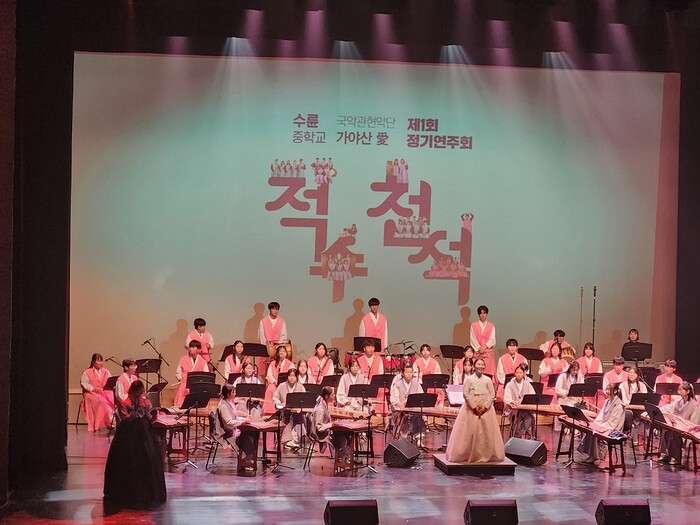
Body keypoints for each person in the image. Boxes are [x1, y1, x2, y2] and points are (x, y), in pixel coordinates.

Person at [103, 380, 165, 509]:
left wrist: (153, 416)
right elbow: (125, 422)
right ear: (132, 392)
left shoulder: (145, 402)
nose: (140, 396)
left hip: (143, 438)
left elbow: (148, 420)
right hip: (127, 438)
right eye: (138, 393)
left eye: (141, 393)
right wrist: (136, 413)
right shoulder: (124, 404)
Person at [446, 357, 505, 463]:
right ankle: (467, 454)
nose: (480, 366)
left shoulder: (487, 380)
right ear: (474, 366)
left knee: (485, 433)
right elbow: (466, 394)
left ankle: (484, 454)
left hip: (485, 407)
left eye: (482, 364)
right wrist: (474, 407)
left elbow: (492, 394)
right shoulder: (468, 379)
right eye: (478, 364)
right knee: (468, 432)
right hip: (470, 407)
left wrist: (485, 406)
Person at [577, 383, 625, 469]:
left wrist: (600, 427)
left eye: (609, 389)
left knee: (596, 432)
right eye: (606, 389)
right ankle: (592, 456)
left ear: (615, 391)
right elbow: (601, 416)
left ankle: (599, 457)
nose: (606, 391)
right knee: (590, 429)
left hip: (613, 428)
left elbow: (613, 422)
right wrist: (595, 425)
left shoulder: (618, 405)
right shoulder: (607, 401)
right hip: (604, 424)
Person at [657, 381, 700, 465]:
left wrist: (684, 426)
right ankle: (667, 454)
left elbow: (694, 422)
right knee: (666, 430)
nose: (679, 391)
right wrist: (659, 410)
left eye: (681, 390)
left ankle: (677, 457)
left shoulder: (694, 405)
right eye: (678, 390)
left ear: (688, 391)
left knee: (675, 434)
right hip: (679, 426)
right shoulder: (679, 401)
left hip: (688, 429)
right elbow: (669, 408)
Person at [390, 360, 425, 443]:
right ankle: (403, 437)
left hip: (413, 409)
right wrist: (400, 404)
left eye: (411, 372)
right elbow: (394, 399)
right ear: (402, 373)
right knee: (404, 416)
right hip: (401, 409)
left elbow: (421, 396)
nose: (409, 374)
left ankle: (418, 437)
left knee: (419, 415)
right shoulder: (397, 384)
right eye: (407, 372)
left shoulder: (416, 384)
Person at [272, 368, 307, 448]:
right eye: (290, 376)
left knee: (298, 419)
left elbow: (305, 399)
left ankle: (294, 440)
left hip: (297, 412)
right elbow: (275, 398)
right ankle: (287, 440)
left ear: (296, 377)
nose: (292, 378)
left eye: (294, 376)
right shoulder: (281, 386)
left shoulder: (300, 387)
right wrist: (280, 404)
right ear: (287, 376)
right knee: (288, 418)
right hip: (285, 411)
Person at [80, 353, 114, 432]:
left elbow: (110, 381)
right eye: (98, 361)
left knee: (112, 400)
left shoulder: (105, 371)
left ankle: (113, 422)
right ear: (93, 362)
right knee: (102, 401)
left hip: (103, 392)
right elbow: (84, 384)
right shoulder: (87, 372)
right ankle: (108, 423)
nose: (100, 363)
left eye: (101, 361)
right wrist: (93, 389)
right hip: (90, 393)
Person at [215, 383, 252, 450]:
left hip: (231, 430)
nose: (235, 393)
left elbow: (235, 417)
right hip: (227, 433)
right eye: (233, 392)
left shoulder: (230, 402)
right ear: (228, 394)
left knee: (250, 434)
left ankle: (248, 454)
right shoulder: (223, 406)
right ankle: (244, 454)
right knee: (248, 436)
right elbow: (228, 422)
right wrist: (242, 422)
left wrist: (244, 419)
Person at [503, 363, 536, 438]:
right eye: (517, 372)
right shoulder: (510, 384)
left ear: (524, 374)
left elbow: (532, 395)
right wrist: (513, 401)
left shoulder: (527, 384)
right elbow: (507, 398)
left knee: (530, 417)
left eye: (520, 373)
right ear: (514, 373)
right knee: (518, 415)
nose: (519, 374)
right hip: (513, 408)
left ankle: (518, 433)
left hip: (524, 408)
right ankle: (518, 433)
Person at [174, 340, 209, 407]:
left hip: (197, 384)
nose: (190, 349)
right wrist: (180, 378)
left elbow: (206, 375)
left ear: (198, 350)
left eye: (193, 347)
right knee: (181, 388)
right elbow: (178, 372)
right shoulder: (183, 359)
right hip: (184, 383)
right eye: (190, 347)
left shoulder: (203, 361)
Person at [620, 367, 648, 443]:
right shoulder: (623, 385)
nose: (631, 375)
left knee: (646, 414)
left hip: (638, 407)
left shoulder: (642, 385)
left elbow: (645, 399)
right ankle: (633, 434)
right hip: (627, 407)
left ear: (638, 375)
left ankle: (637, 434)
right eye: (630, 373)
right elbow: (624, 400)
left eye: (634, 373)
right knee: (632, 414)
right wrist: (630, 405)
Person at [264, 345, 295, 414]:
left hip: (285, 384)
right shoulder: (273, 363)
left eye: (284, 351)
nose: (282, 353)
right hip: (275, 383)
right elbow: (269, 375)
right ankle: (269, 411)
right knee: (270, 389)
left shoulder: (290, 364)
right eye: (280, 351)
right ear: (277, 353)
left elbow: (292, 375)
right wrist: (274, 381)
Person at [554, 360, 584, 431]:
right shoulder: (563, 376)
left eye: (577, 370)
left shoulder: (579, 376)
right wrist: (567, 393)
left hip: (574, 400)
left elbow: (581, 388)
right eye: (574, 370)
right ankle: (564, 428)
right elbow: (557, 389)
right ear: (570, 369)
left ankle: (575, 428)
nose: (575, 372)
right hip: (563, 399)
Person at [357, 338, 386, 413]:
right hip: (364, 383)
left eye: (372, 347)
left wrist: (374, 382)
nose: (370, 349)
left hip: (375, 384)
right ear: (364, 349)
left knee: (381, 390)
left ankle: (378, 411)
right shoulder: (360, 360)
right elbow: (358, 374)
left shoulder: (378, 359)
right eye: (368, 347)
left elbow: (380, 372)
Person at [470, 305, 496, 377]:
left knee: (489, 374)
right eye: (481, 313)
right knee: (477, 374)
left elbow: (492, 339)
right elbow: (473, 339)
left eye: (484, 313)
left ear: (487, 314)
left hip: (488, 352)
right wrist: (479, 348)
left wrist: (485, 347)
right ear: (478, 314)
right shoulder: (473, 325)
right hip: (478, 353)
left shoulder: (491, 325)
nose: (483, 315)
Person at [310, 386, 335, 454]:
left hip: (325, 431)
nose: (334, 396)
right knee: (342, 437)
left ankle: (342, 456)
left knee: (344, 435)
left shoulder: (325, 405)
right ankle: (341, 457)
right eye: (332, 395)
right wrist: (331, 424)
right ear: (326, 396)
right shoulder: (320, 409)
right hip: (320, 434)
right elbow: (319, 427)